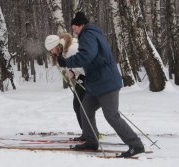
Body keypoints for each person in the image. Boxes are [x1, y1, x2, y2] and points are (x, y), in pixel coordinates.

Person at [57, 12, 145, 157]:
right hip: (96, 84)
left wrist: (67, 62)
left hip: (106, 82)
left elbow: (87, 55)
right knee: (85, 110)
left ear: (81, 25)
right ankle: (92, 142)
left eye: (75, 28)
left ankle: (136, 145)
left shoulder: (88, 35)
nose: (74, 31)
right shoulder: (90, 33)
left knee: (111, 116)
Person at [45, 33, 90, 139]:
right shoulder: (63, 50)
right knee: (78, 104)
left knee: (81, 105)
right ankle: (87, 132)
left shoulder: (72, 49)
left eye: (51, 50)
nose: (51, 53)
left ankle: (89, 134)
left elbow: (86, 62)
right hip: (83, 77)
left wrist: (74, 71)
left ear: (56, 46)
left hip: (90, 77)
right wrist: (73, 72)